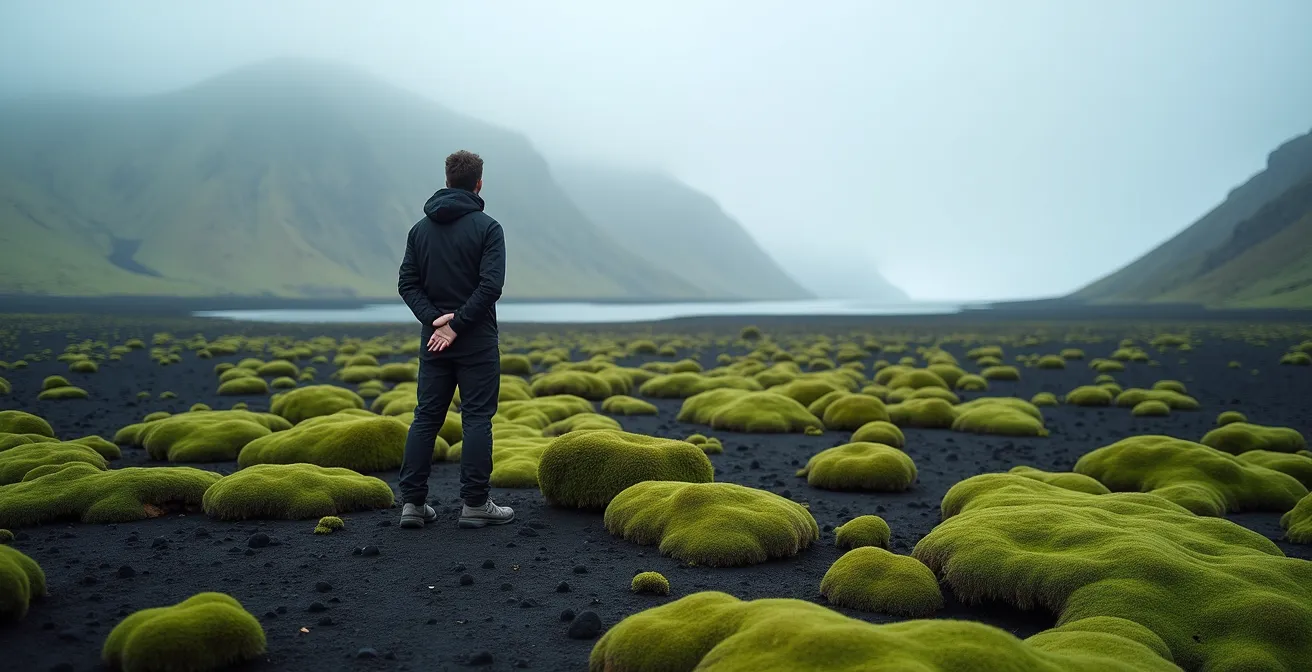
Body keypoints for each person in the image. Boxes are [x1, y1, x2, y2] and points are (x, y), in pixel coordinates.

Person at [396, 150, 514, 529]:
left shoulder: (419, 230)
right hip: (476, 340)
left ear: (447, 181)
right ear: (479, 183)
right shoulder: (488, 228)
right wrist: (457, 324)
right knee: (477, 418)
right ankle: (475, 504)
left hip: (433, 342)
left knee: (426, 417)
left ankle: (413, 505)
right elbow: (491, 286)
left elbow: (407, 284)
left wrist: (435, 321)